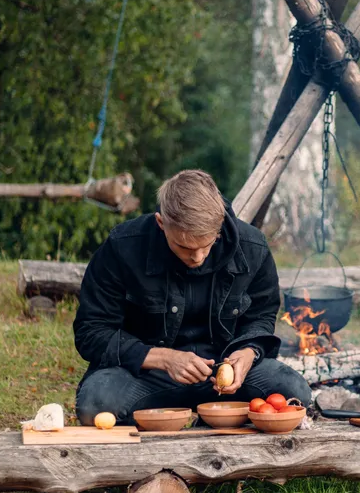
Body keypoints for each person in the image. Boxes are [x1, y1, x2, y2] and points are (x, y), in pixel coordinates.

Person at [73, 169, 310, 424]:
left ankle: (210, 419)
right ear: (161, 223)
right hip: (147, 375)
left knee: (294, 394)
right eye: (184, 246)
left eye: (206, 245)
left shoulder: (252, 247)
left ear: (218, 225)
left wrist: (249, 352)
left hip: (222, 375)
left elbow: (262, 316)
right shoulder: (123, 247)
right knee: (94, 405)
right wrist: (163, 358)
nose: (196, 257)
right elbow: (91, 331)